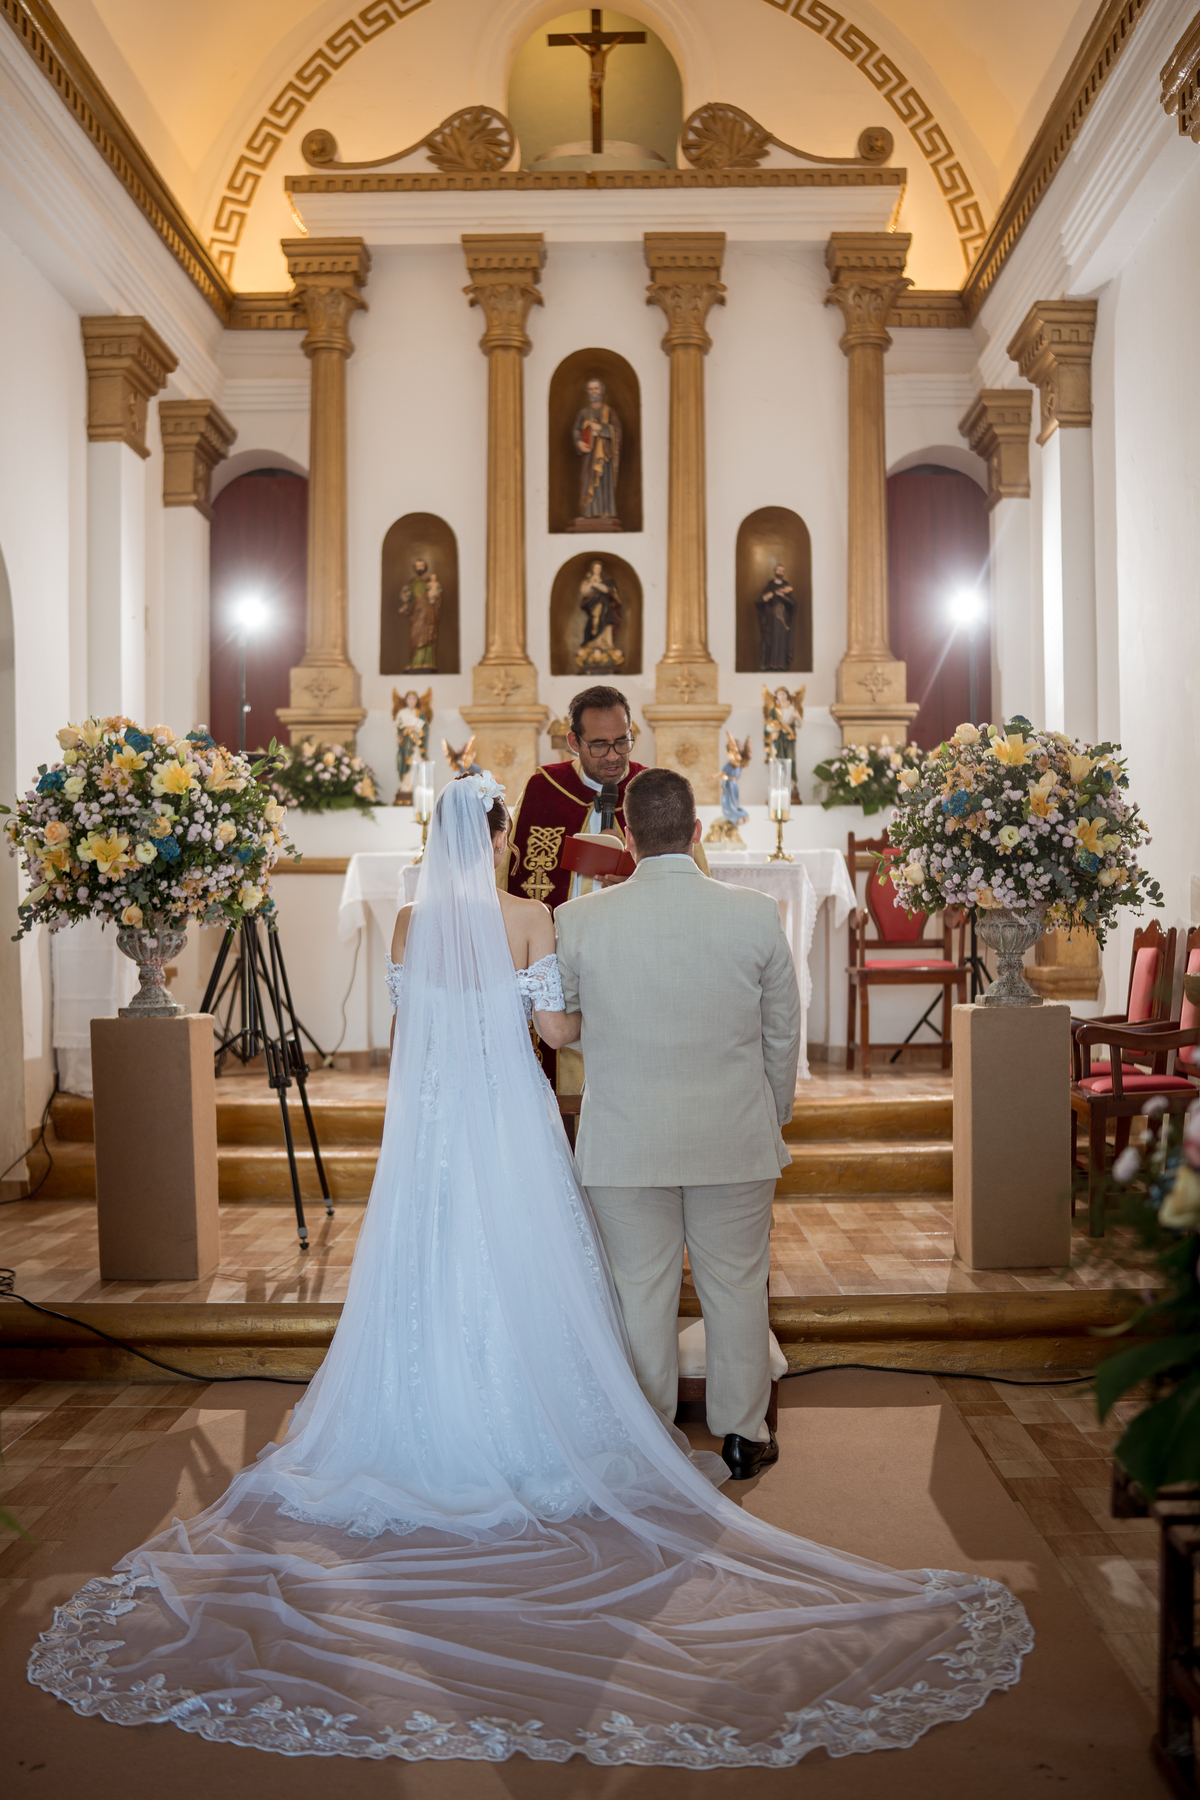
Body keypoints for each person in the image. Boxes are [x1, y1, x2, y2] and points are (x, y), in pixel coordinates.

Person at [28, 772, 1031, 1767]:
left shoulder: (436, 921)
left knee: (558, 1279)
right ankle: (738, 1432)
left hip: (455, 1130)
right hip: (600, 1121)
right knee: (721, 1281)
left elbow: (422, 1035)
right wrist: (701, 1071)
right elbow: (579, 1032)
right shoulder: (573, 918)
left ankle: (617, 1425)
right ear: (504, 839)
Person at [555, 767, 796, 1476]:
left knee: (640, 1290)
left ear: (625, 836)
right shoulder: (755, 914)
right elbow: (782, 1034)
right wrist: (771, 1115)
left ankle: (648, 1437)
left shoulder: (580, 920)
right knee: (737, 1287)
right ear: (697, 832)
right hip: (734, 1134)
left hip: (625, 1138)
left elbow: (564, 1027)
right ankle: (743, 1434)